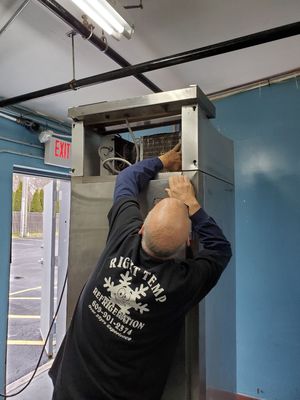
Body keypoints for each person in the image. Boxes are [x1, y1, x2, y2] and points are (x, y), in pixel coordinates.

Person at [49, 144, 232, 400]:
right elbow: (220, 248)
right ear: (187, 245)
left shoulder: (122, 237)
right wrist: (190, 203)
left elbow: (127, 178)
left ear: (142, 228)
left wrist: (163, 160)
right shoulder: (183, 283)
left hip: (69, 386)